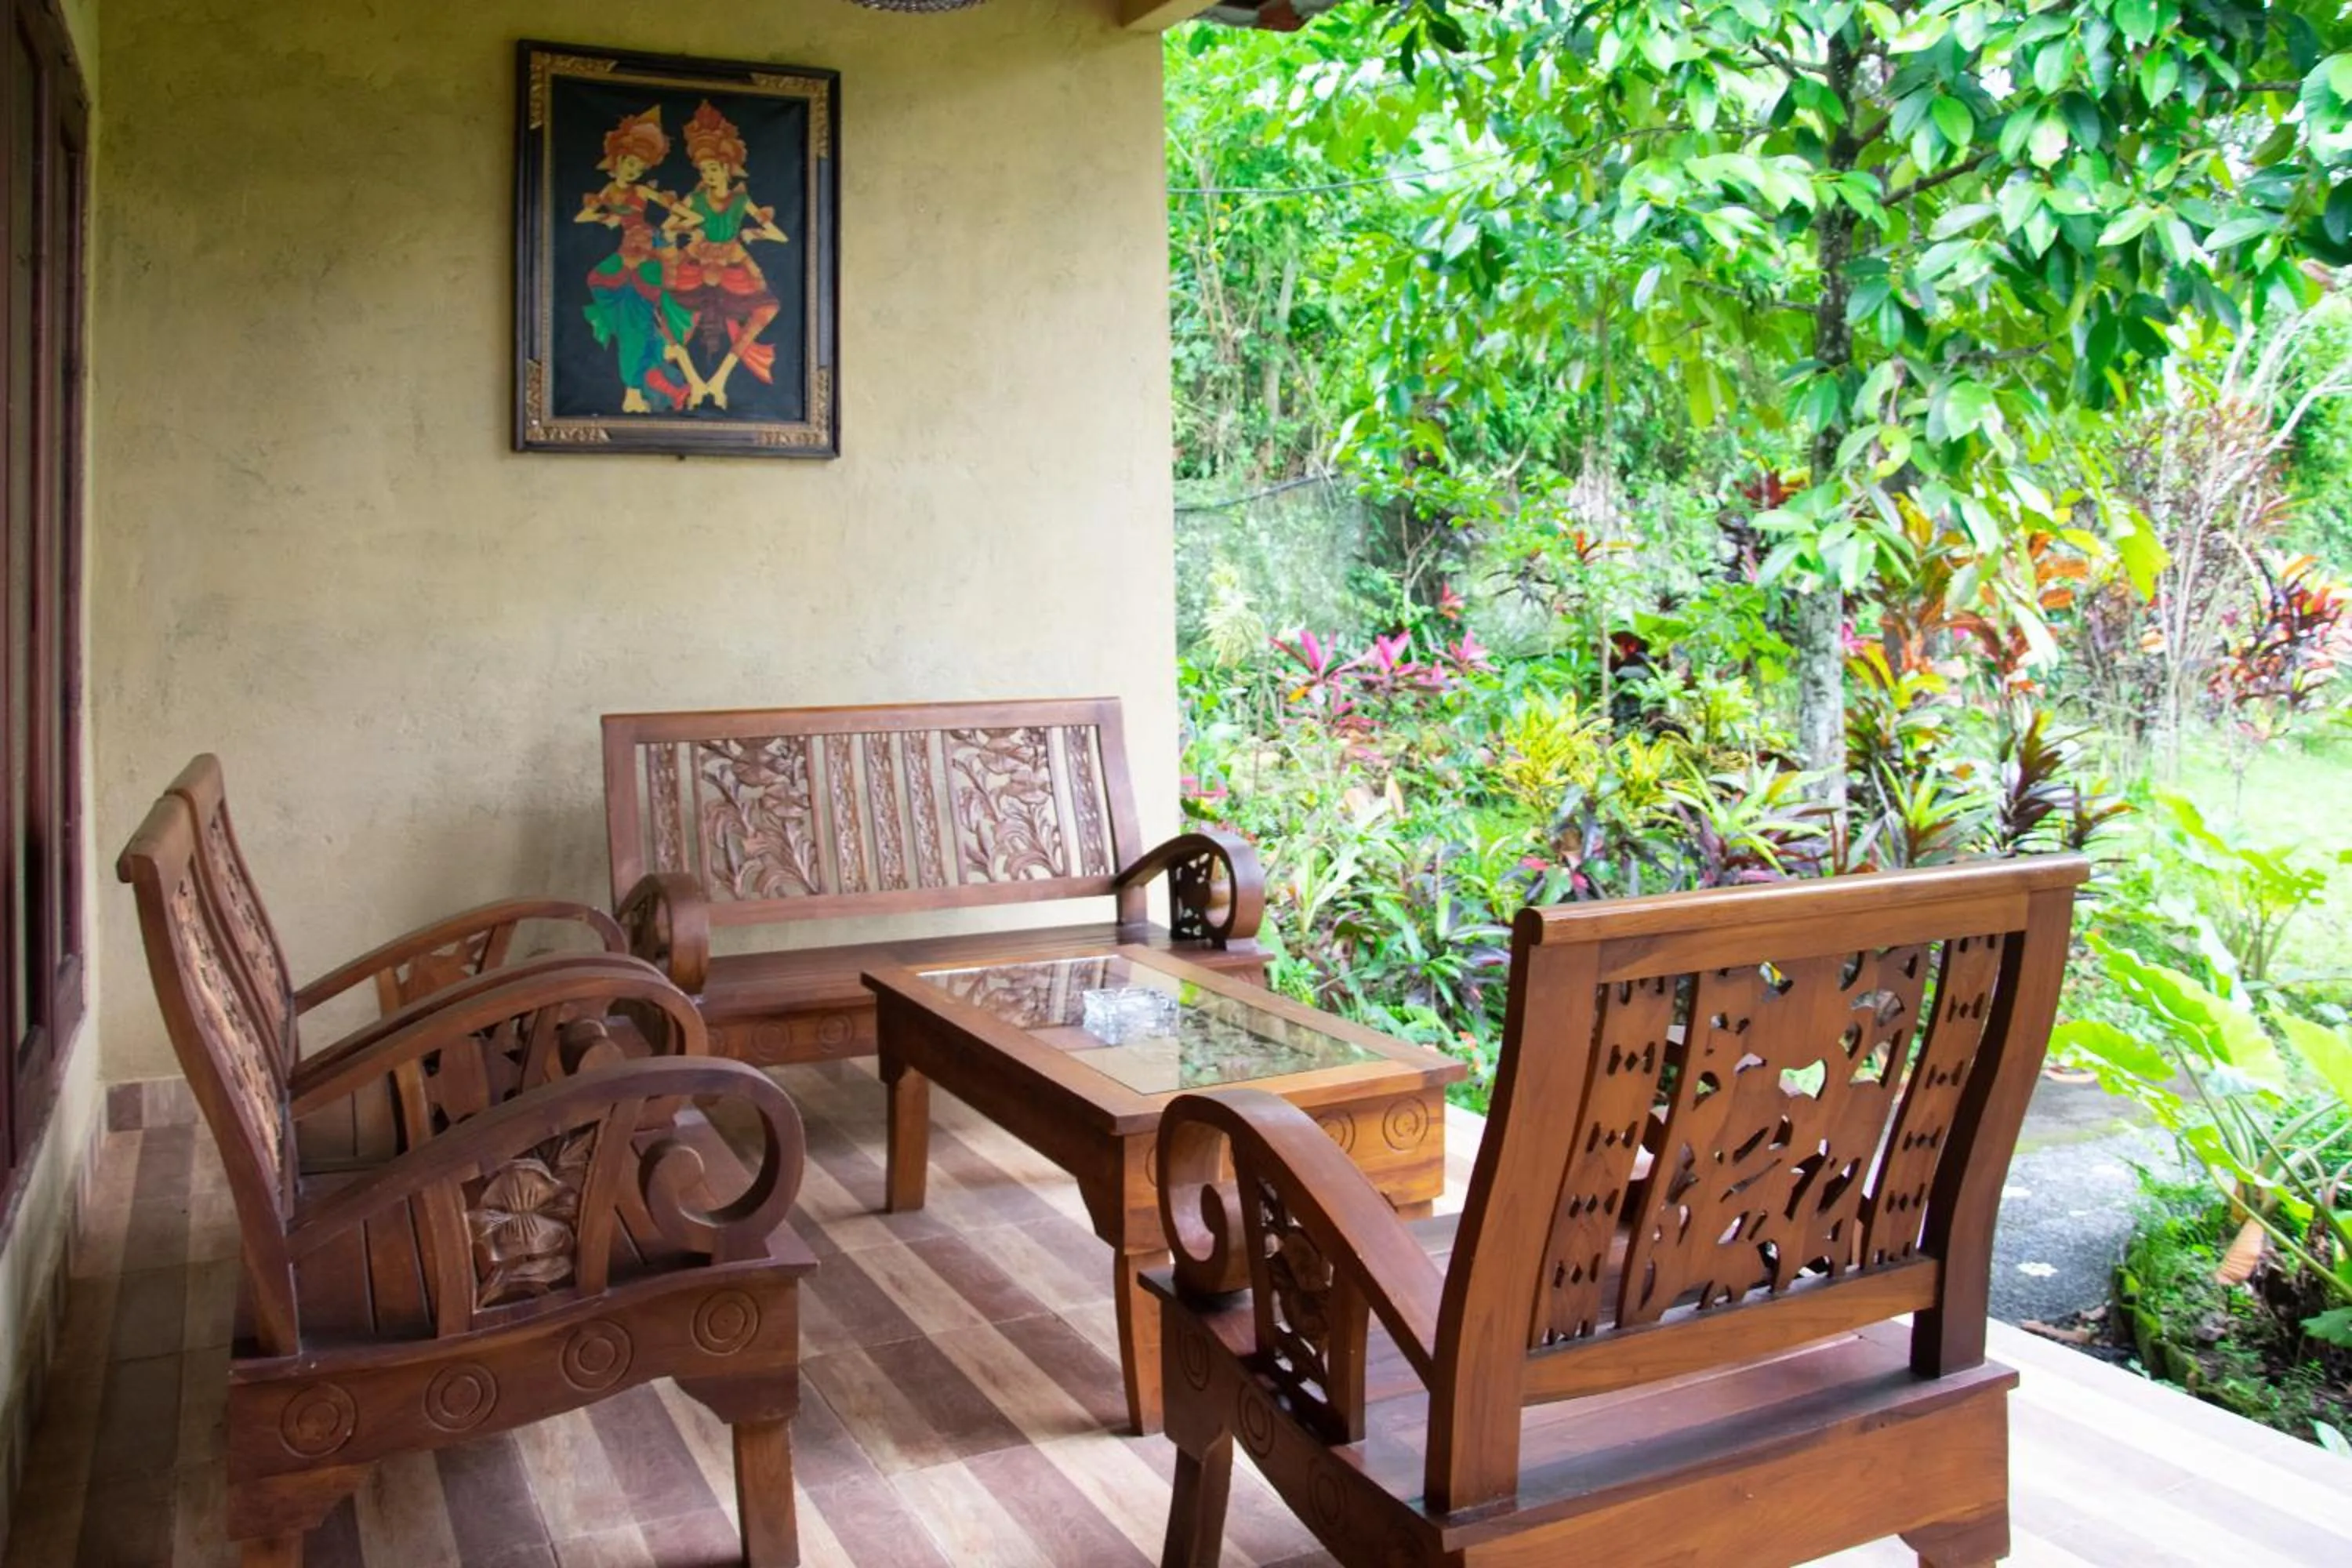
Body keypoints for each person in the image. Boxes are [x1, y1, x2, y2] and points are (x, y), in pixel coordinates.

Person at [664, 100, 790, 410]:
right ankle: (693, 379)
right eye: (703, 170)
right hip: (697, 259)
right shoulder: (695, 198)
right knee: (662, 304)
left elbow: (779, 235)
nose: (708, 174)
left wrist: (753, 234)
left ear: (726, 169)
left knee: (764, 309)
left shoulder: (741, 200)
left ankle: (721, 378)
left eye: (713, 168)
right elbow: (668, 226)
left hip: (733, 261)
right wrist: (687, 229)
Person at [575, 107, 702, 412]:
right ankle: (648, 375)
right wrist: (606, 216)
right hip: (624, 256)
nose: (634, 170)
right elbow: (582, 217)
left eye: (640, 166)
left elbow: (693, 216)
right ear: (618, 160)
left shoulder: (642, 190)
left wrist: (669, 228)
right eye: (630, 163)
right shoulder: (608, 191)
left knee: (639, 320)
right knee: (621, 311)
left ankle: (634, 390)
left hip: (649, 253)